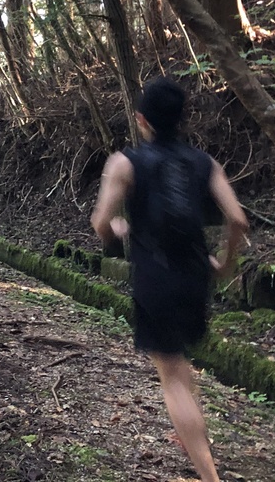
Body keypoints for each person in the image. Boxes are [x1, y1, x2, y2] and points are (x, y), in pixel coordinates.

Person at [91, 77, 248, 482]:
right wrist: (226, 263)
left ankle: (209, 474)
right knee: (180, 362)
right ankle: (194, 439)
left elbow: (101, 223)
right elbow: (237, 219)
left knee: (171, 373)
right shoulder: (204, 163)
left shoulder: (124, 162)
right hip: (196, 274)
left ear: (141, 119)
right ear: (181, 119)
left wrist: (119, 229)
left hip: (155, 276)